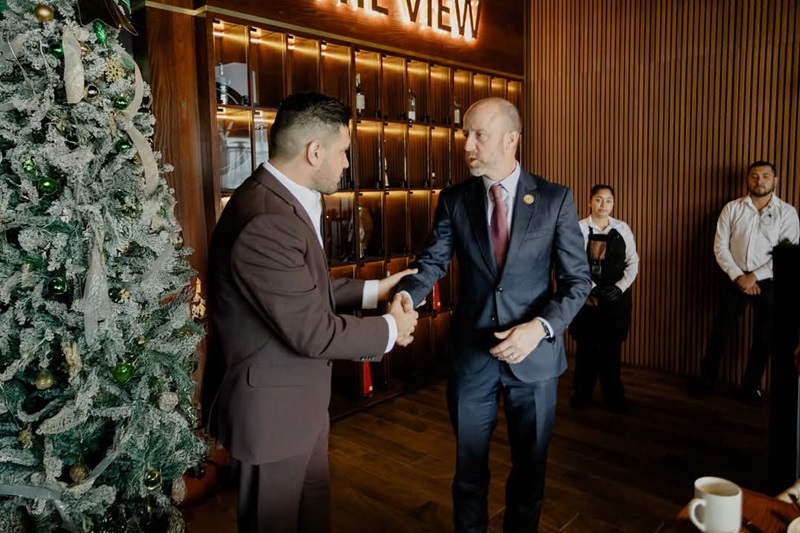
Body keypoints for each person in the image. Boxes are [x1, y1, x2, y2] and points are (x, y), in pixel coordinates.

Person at [203, 92, 419, 533]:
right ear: (314, 151)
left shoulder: (278, 200)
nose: (347, 164)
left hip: (300, 407)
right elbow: (313, 331)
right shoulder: (266, 219)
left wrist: (375, 289)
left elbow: (301, 291)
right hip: (272, 417)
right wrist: (391, 328)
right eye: (343, 151)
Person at [396, 97, 591, 533]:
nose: (467, 145)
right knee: (468, 473)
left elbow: (577, 282)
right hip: (472, 357)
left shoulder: (555, 199)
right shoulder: (454, 200)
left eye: (478, 135)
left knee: (529, 474)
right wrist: (407, 296)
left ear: (511, 139)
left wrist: (539, 328)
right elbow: (431, 262)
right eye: (466, 134)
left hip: (534, 359)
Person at [689, 160, 800, 404]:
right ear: (748, 179)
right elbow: (720, 247)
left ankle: (751, 387)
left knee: (763, 337)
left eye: (766, 176)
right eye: (754, 176)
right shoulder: (732, 208)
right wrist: (739, 276)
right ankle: (706, 380)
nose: (760, 180)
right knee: (720, 332)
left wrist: (754, 277)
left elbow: (787, 252)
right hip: (735, 277)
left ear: (775, 180)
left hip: (769, 281)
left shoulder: (787, 212)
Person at [569, 185, 639, 411]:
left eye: (608, 200)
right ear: (590, 201)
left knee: (612, 350)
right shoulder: (579, 228)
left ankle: (613, 396)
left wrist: (619, 288)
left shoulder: (622, 229)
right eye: (598, 199)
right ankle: (582, 395)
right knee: (586, 349)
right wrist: (591, 288)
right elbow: (572, 263)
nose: (603, 205)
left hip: (615, 300)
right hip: (586, 299)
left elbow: (633, 262)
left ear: (613, 204)